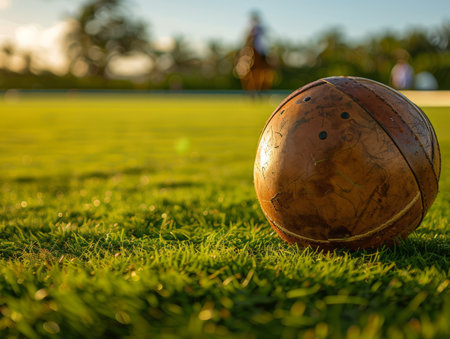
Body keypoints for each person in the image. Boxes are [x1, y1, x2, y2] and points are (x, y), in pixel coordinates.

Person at [235, 11, 274, 92]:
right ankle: (242, 69)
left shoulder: (260, 27)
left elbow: (265, 36)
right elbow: (246, 37)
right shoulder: (250, 28)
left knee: (266, 54)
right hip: (251, 45)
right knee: (244, 56)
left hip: (260, 45)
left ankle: (267, 64)